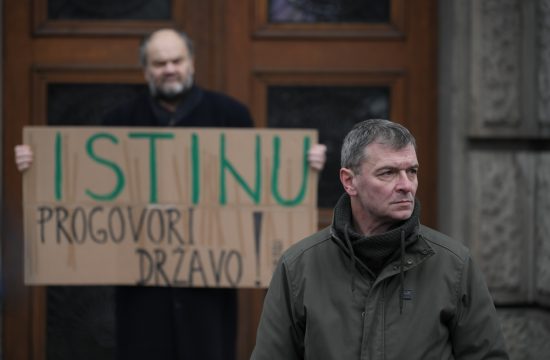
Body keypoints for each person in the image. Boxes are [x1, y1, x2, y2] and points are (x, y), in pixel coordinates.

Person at [15, 28, 327, 360]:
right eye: (159, 62)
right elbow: (84, 191)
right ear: (146, 70)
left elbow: (261, 185)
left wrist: (302, 164)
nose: (169, 69)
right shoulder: (118, 122)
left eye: (176, 60)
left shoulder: (230, 116)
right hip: (141, 297)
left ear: (191, 63)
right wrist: (38, 165)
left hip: (209, 294)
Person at [251, 119, 509, 360]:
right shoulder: (298, 267)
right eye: (388, 172)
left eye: (412, 171)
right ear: (349, 181)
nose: (406, 185)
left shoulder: (454, 265)